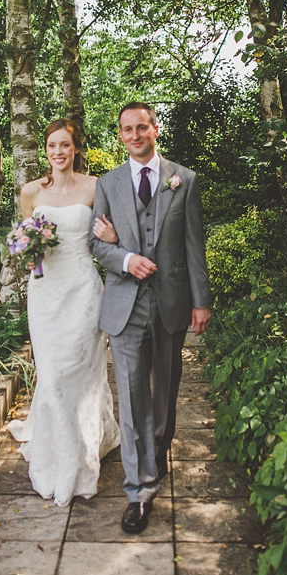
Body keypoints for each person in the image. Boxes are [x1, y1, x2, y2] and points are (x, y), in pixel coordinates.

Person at [90, 102, 211, 534]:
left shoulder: (185, 180)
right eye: (127, 129)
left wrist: (202, 301)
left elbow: (194, 245)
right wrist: (125, 258)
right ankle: (139, 492)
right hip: (124, 305)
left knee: (165, 391)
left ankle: (157, 452)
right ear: (120, 135)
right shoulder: (108, 184)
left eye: (142, 127)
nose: (135, 134)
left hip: (173, 301)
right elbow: (96, 244)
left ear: (155, 129)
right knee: (133, 394)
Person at [7, 118, 120, 507]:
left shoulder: (95, 187)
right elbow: (22, 244)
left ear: (75, 149)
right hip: (46, 294)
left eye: (65, 146)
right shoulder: (30, 192)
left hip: (84, 290)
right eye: (52, 145)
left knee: (83, 373)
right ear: (46, 149)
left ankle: (83, 455)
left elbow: (110, 234)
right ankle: (55, 459)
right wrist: (25, 250)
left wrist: (112, 237)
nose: (58, 152)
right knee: (52, 374)